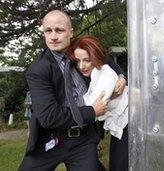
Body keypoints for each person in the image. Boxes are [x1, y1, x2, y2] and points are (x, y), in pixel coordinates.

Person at [18, 9, 126, 171]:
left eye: (59, 30)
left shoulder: (81, 52)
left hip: (84, 140)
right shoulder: (38, 70)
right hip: (52, 138)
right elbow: (48, 116)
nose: (53, 36)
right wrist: (91, 112)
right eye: (48, 31)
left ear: (70, 32)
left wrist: (122, 77)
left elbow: (107, 62)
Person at [66, 35, 128, 171]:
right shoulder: (90, 72)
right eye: (77, 61)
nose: (81, 66)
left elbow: (95, 109)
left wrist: (122, 77)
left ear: (95, 57)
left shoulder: (105, 74)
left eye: (87, 60)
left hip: (126, 123)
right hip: (114, 125)